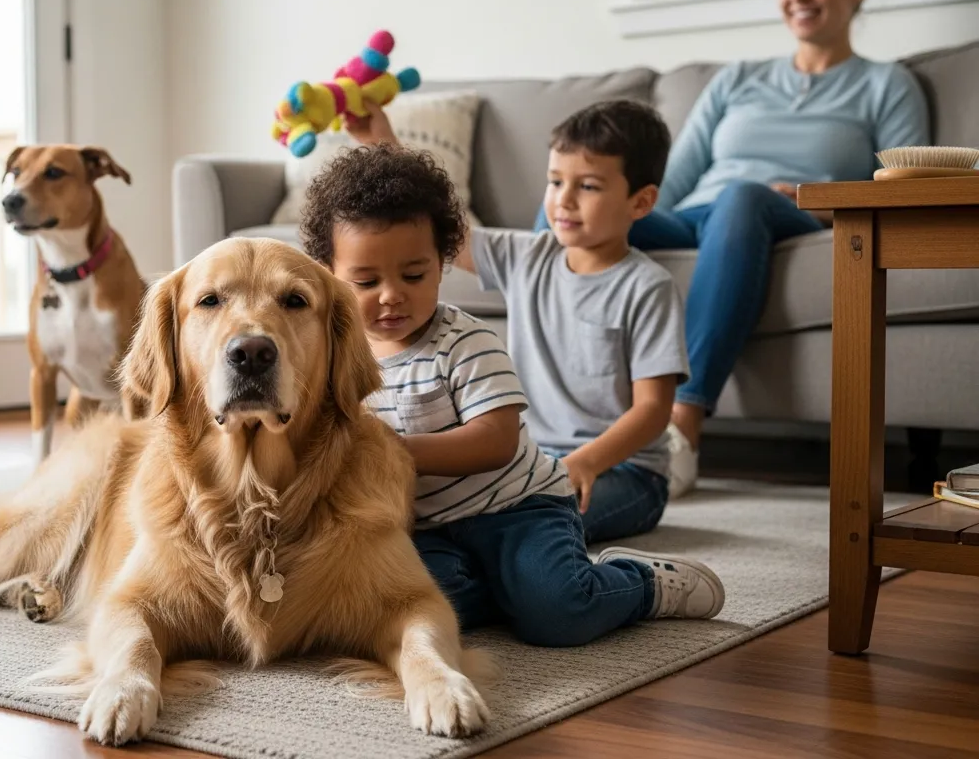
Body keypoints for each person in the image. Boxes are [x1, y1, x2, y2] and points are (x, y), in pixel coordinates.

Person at [297, 141, 724, 644]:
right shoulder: (333, 356)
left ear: (442, 261)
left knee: (559, 614)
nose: (392, 295)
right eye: (365, 281)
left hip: (517, 509)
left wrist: (391, 450)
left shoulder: (465, 341)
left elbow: (495, 440)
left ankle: (642, 584)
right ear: (328, 276)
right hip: (429, 527)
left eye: (414, 275)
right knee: (401, 606)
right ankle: (515, 588)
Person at [533, 0, 930, 497]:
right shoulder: (739, 78)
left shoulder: (887, 85)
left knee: (743, 197)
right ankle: (546, 420)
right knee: (560, 213)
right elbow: (669, 183)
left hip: (792, 216)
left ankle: (683, 425)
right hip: (696, 218)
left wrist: (820, 202)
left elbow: (905, 189)